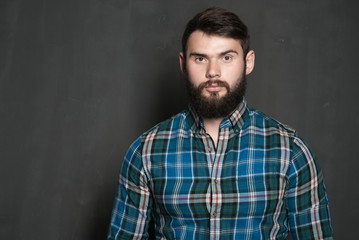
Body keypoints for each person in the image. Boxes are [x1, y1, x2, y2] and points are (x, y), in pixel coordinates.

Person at [107, 6, 333, 240]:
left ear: (248, 62)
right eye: (200, 58)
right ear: (184, 64)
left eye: (226, 57)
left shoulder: (291, 151)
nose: (213, 72)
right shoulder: (146, 152)